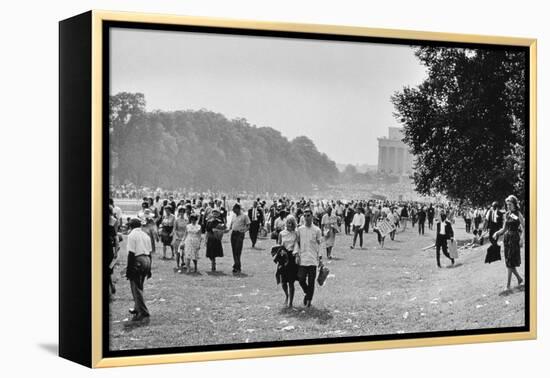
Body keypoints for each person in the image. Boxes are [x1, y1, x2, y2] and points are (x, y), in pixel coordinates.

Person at [493, 195, 524, 290]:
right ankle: (519, 279)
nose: (508, 206)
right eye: (507, 205)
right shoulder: (506, 214)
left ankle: (508, 285)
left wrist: (522, 239)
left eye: (510, 204)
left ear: (514, 204)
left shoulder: (518, 213)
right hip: (507, 239)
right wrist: (497, 233)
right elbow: (504, 229)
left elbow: (524, 227)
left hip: (515, 238)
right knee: (509, 262)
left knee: (510, 262)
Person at [125, 218, 153, 322]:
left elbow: (131, 254)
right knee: (140, 286)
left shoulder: (132, 235)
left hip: (138, 260)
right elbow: (150, 254)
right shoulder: (145, 235)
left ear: (131, 226)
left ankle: (143, 312)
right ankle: (137, 309)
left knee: (135, 288)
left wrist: (129, 270)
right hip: (147, 260)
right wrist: (149, 269)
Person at [295, 209, 322, 307]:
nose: (307, 218)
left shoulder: (317, 230)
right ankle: (308, 293)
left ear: (312, 216)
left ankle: (309, 301)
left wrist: (320, 258)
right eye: (305, 216)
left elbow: (320, 245)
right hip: (303, 259)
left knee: (311, 282)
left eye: (308, 215)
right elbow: (297, 243)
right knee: (301, 278)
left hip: (313, 259)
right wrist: (297, 254)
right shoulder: (300, 230)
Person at [276, 217, 299, 307]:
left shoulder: (296, 233)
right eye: (288, 223)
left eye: (291, 223)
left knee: (291, 281)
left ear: (294, 224)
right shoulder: (282, 233)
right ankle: (286, 295)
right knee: (283, 281)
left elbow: (297, 245)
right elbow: (278, 244)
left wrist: (296, 255)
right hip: (283, 257)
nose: (289, 224)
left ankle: (291, 302)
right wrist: (280, 251)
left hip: (292, 258)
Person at [228, 203, 250, 274]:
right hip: (233, 234)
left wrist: (244, 231)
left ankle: (237, 266)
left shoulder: (244, 216)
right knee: (234, 251)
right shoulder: (234, 216)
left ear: (238, 209)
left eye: (234, 210)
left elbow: (248, 225)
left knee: (238, 251)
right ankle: (236, 266)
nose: (233, 211)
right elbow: (231, 225)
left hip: (239, 234)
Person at [172, 207, 189, 272]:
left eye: (183, 212)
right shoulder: (176, 220)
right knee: (178, 252)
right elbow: (174, 229)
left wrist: (185, 237)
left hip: (185, 236)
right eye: (180, 212)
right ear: (179, 212)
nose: (182, 213)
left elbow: (187, 229)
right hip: (177, 236)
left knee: (183, 251)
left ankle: (183, 262)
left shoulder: (186, 220)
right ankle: (177, 264)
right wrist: (177, 236)